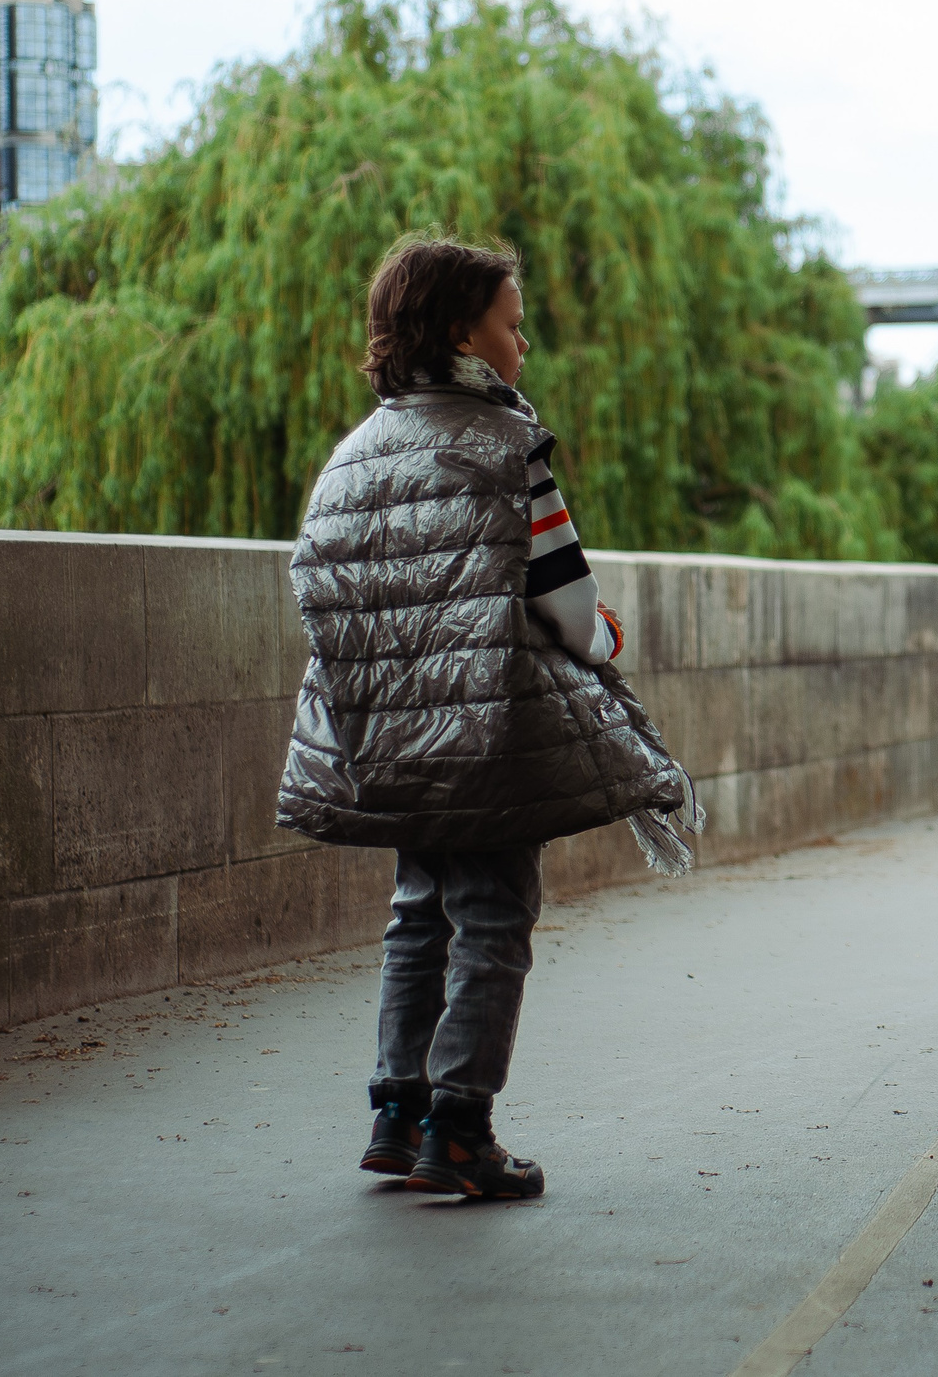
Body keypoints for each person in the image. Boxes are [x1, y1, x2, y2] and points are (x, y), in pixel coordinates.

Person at [279, 233, 702, 1200]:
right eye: (513, 325)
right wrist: (604, 641)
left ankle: (398, 1109)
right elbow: (564, 603)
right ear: (466, 329)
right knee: (494, 914)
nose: (525, 345)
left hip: (386, 734)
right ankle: (461, 1127)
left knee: (416, 911)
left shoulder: (352, 457)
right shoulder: (508, 446)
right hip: (484, 732)